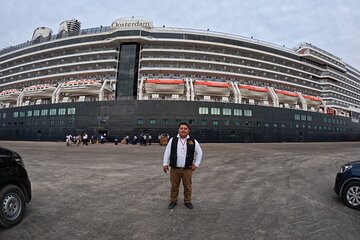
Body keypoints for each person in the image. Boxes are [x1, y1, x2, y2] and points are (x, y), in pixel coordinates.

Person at [163, 122, 203, 210]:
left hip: (187, 169)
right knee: (174, 186)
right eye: (181, 128)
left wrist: (196, 164)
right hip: (175, 169)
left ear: (188, 130)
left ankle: (187, 201)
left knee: (188, 187)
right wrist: (165, 163)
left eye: (185, 128)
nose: (183, 130)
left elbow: (200, 153)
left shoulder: (193, 141)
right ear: (178, 130)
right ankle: (173, 201)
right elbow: (167, 152)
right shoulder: (173, 140)